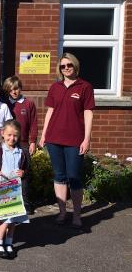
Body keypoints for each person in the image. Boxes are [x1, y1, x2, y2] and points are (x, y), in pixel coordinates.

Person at [39, 53, 94, 229]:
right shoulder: (55, 87)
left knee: (74, 177)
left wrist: (86, 138)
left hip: (74, 140)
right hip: (54, 138)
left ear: (75, 66)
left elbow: (88, 113)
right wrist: (43, 135)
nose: (66, 68)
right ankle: (62, 212)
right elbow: (50, 112)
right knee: (59, 176)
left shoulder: (85, 87)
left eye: (69, 65)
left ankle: (77, 215)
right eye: (63, 66)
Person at [0, 120, 30, 259]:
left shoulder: (21, 152)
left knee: (13, 219)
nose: (12, 138)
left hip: (15, 190)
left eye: (15, 135)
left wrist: (24, 173)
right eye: (9, 135)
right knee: (5, 219)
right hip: (2, 189)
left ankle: (8, 242)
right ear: (2, 134)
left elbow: (27, 170)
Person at [3, 75, 38, 215]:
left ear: (20, 88)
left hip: (23, 144)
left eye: (16, 88)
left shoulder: (28, 104)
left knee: (23, 174)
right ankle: (7, 202)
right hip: (7, 144)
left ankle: (26, 203)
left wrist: (33, 141)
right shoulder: (5, 104)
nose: (14, 92)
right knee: (7, 173)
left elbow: (34, 124)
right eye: (11, 90)